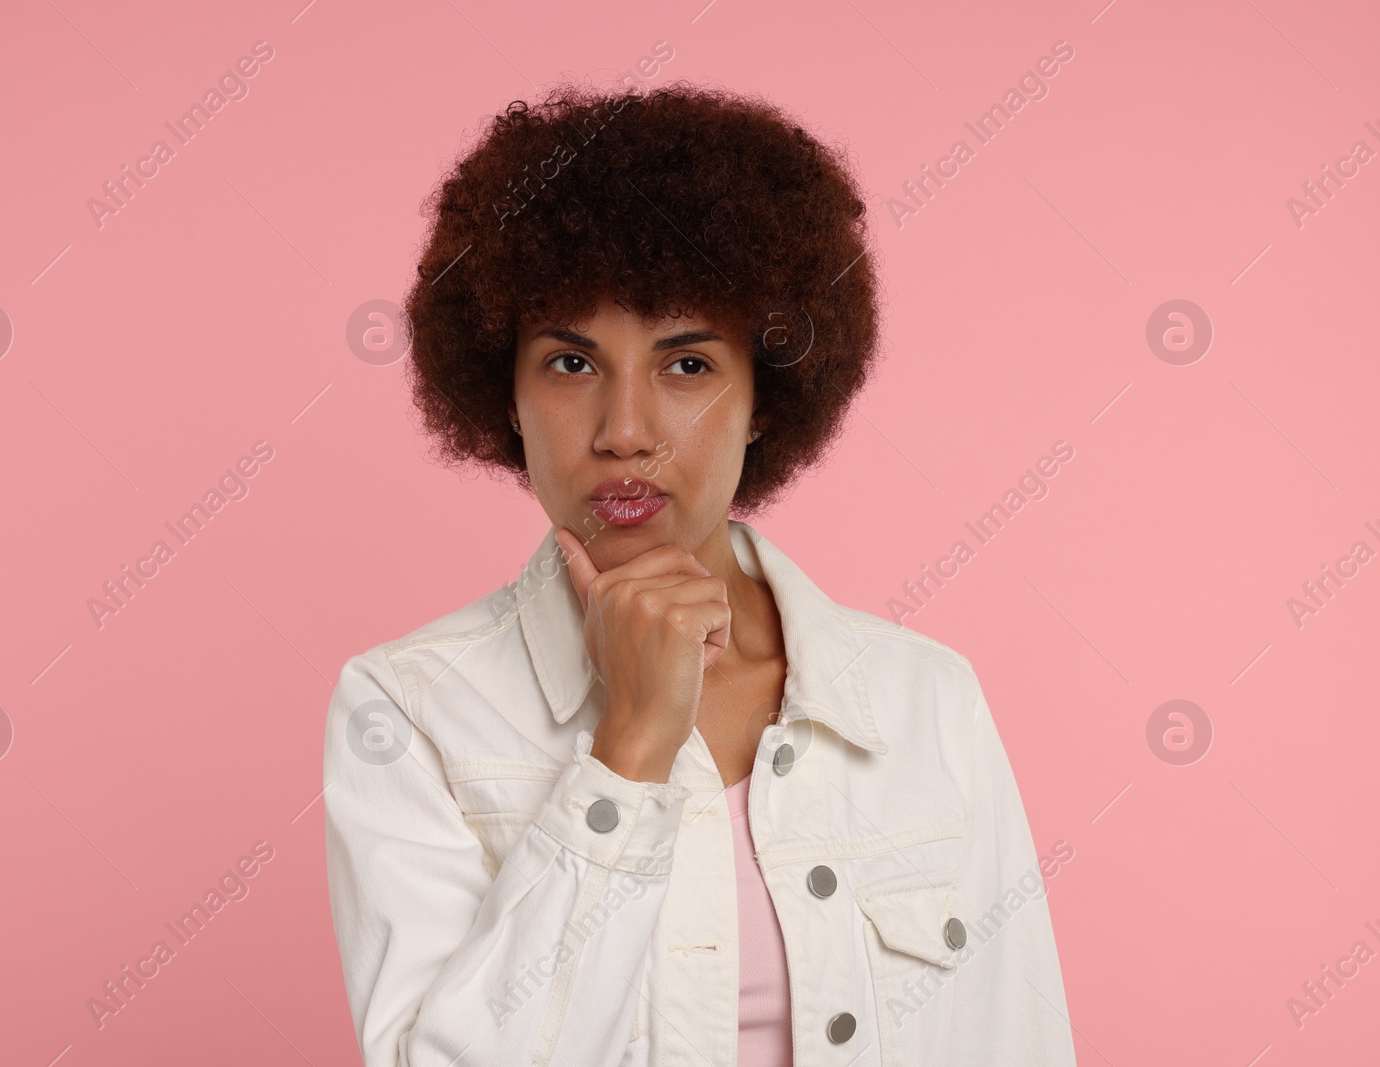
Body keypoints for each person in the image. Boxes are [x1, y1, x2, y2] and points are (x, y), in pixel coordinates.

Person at [323, 81, 1076, 1066]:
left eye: (685, 365)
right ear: (502, 393)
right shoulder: (408, 709)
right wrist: (628, 745)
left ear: (767, 394)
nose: (624, 430)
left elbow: (1013, 1043)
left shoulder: (923, 699)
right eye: (569, 363)